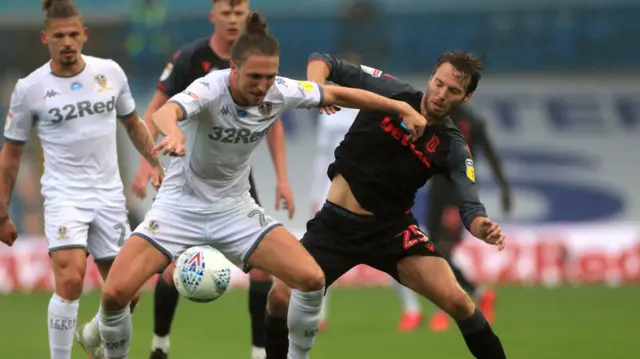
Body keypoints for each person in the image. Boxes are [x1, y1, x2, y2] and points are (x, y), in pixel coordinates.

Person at [97, 12, 428, 359]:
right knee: (114, 294)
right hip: (179, 207)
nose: (262, 85)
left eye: (270, 76)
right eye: (254, 76)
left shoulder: (278, 90)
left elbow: (338, 93)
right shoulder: (210, 87)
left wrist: (398, 106)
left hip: (235, 210)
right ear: (234, 69)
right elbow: (164, 114)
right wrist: (175, 133)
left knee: (312, 279)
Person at [264, 52, 508, 359]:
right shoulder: (391, 92)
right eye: (439, 83)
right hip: (335, 227)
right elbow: (322, 60)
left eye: (454, 91)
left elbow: (470, 204)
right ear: (431, 77)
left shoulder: (452, 146)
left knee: (459, 302)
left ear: (467, 96)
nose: (441, 94)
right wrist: (317, 90)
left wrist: (481, 225)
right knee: (279, 297)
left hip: (392, 233)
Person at [129, 2, 293, 358]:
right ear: (213, 16)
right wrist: (148, 163)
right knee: (172, 268)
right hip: (189, 176)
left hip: (235, 182)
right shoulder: (191, 58)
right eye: (227, 13)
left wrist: (282, 178)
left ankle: (259, 351)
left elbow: (273, 120)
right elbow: (157, 108)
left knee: (263, 271)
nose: (234, 19)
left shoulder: (259, 63)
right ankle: (160, 346)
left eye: (240, 12)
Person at [0, 1, 163, 359]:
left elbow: (133, 124)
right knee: (71, 279)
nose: (68, 41)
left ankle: (93, 336)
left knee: (127, 294)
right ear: (46, 38)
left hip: (108, 197)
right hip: (63, 197)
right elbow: (11, 153)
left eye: (74, 34)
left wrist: (155, 162)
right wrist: (2, 213)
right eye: (59, 35)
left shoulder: (110, 73)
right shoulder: (30, 89)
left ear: (84, 34)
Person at [309, 54, 424, 333]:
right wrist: (315, 192)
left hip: (369, 189)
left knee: (386, 252)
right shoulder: (329, 112)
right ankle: (317, 314)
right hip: (334, 187)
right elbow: (321, 156)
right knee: (321, 255)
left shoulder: (374, 108)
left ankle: (411, 308)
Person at [427, 104, 512, 332]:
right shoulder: (434, 117)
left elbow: (492, 156)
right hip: (436, 193)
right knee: (433, 251)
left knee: (443, 251)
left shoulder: (472, 122)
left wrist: (505, 188)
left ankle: (445, 307)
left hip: (459, 195)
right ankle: (480, 293)